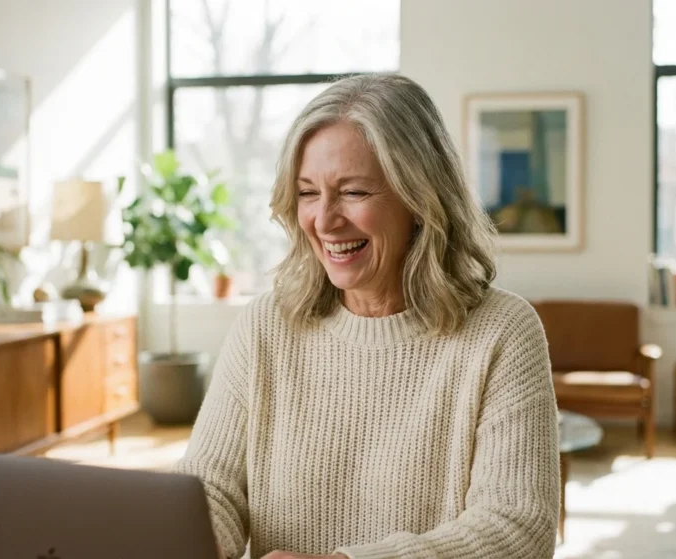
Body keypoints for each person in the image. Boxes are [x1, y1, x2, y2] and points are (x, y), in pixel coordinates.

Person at [173, 73, 559, 559]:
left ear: (421, 199)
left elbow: (517, 528)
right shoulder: (265, 325)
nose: (324, 220)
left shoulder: (502, 331)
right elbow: (211, 489)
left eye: (353, 192)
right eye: (308, 192)